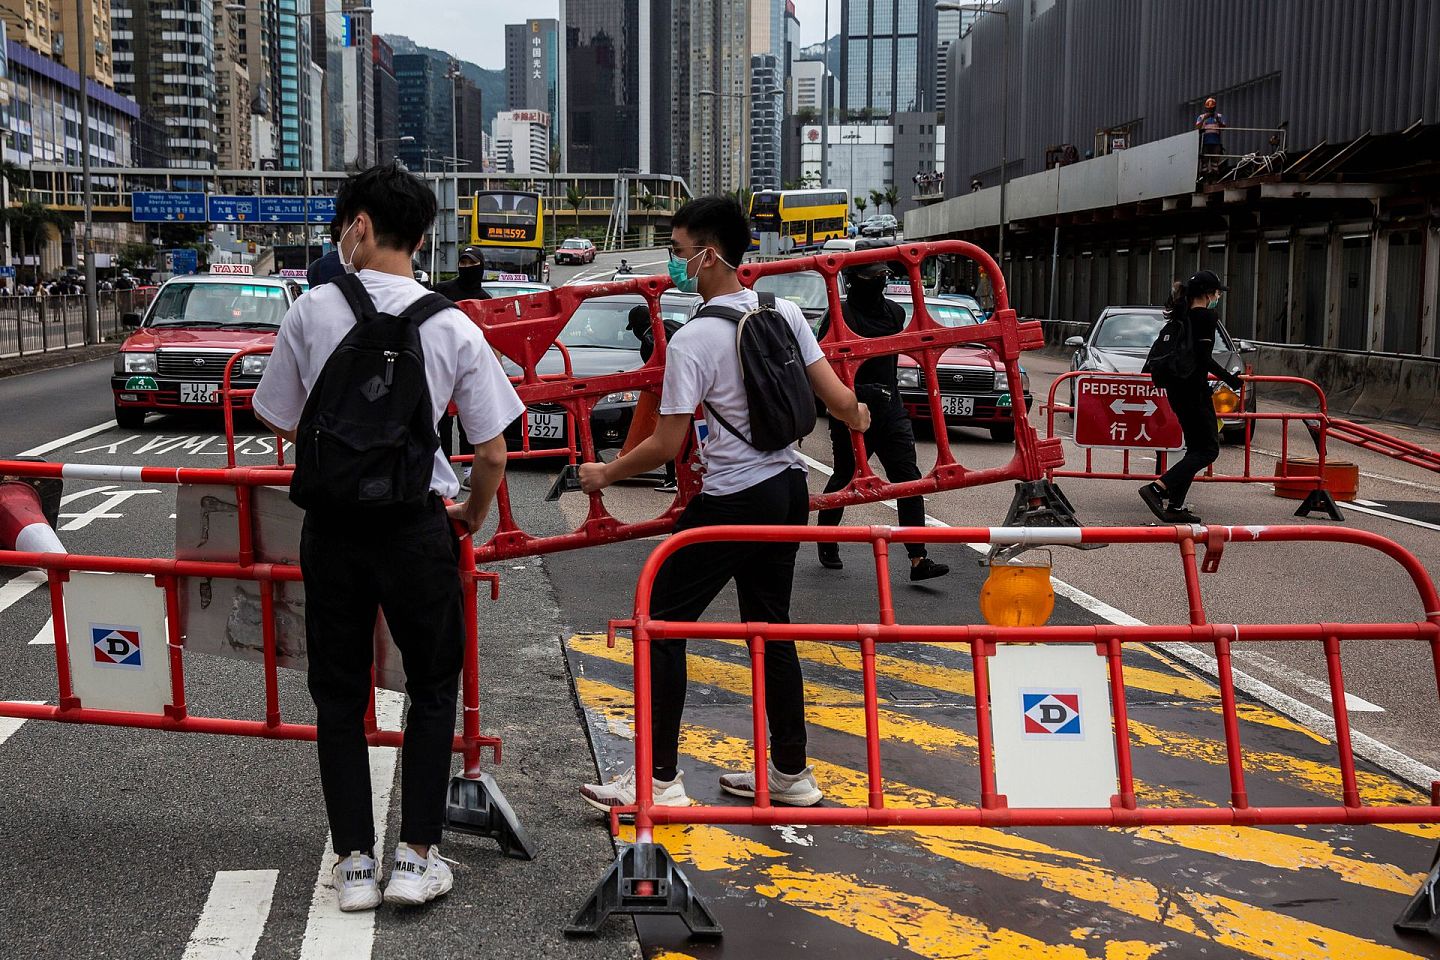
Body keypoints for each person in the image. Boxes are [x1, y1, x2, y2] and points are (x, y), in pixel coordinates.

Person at [252, 164, 523, 913]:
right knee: (434, 687)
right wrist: (469, 511)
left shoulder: (312, 310)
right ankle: (417, 856)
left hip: (333, 529)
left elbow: (276, 416)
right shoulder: (453, 323)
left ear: (360, 226)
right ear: (424, 235)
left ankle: (353, 867)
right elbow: (494, 448)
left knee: (338, 694)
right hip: (415, 527)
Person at [576, 196, 869, 810]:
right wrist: (863, 415)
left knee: (659, 620)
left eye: (680, 253)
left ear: (709, 255)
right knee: (770, 626)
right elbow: (839, 402)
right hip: (788, 490)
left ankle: (658, 780)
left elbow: (666, 444)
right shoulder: (783, 312)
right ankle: (792, 774)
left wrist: (605, 473)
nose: (675, 265)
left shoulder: (693, 341)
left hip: (734, 497)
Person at [814, 240, 949, 581]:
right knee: (845, 477)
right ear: (853, 278)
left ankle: (918, 557)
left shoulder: (895, 313)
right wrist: (857, 393)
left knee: (908, 480)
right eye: (871, 275)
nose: (878, 281)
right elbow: (821, 367)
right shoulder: (839, 314)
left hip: (891, 409)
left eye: (883, 274)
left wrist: (882, 394)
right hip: (850, 410)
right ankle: (826, 541)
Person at [1139, 270, 1242, 524]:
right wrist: (1231, 379)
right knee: (1208, 449)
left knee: (1195, 448)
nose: (1218, 296)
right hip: (1194, 391)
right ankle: (1158, 488)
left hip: (1177, 390)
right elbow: (1204, 358)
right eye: (1217, 292)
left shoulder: (1180, 314)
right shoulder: (1206, 316)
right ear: (1208, 294)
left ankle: (1175, 505)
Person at [433, 246, 491, 478]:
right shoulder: (442, 290)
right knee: (442, 420)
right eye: (463, 263)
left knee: (469, 416)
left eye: (472, 263)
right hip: (441, 362)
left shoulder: (485, 300)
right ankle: (444, 468)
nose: (467, 268)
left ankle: (468, 468)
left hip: (470, 365)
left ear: (481, 266)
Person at [625, 304, 682, 492]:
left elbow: (654, 377)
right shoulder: (673, 324)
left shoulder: (648, 342)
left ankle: (672, 479)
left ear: (638, 327)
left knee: (668, 434)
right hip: (700, 384)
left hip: (674, 393)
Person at [1195, 97, 1226, 170]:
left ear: (1215, 108)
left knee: (1215, 163)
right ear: (1206, 108)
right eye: (1209, 109)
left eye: (1212, 109)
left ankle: (1214, 178)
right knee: (1204, 163)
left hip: (1216, 143)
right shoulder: (1201, 117)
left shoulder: (1219, 116)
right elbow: (1197, 128)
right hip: (1205, 143)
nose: (1210, 110)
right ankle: (1204, 179)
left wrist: (1218, 121)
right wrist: (1204, 119)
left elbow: (1224, 128)